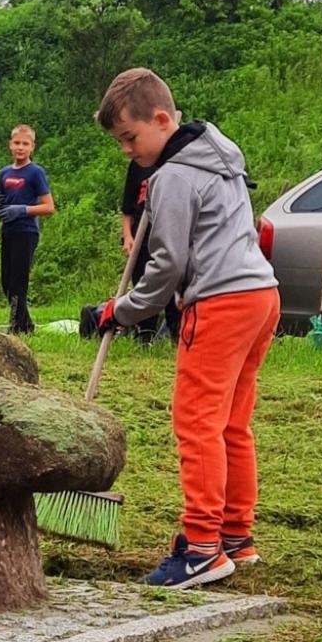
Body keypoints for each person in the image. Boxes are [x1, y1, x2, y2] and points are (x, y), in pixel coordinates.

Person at [93, 68, 279, 589]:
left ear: (161, 119)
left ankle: (201, 548)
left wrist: (122, 310)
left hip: (220, 303)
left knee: (197, 423)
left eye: (130, 137)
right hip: (260, 295)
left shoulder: (174, 176)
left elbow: (167, 265)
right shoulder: (218, 154)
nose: (126, 150)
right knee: (232, 423)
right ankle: (235, 535)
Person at [0, 126, 54, 334]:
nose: (20, 147)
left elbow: (49, 207)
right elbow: (0, 201)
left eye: (25, 144)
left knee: (18, 281)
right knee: (6, 281)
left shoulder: (35, 172)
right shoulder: (4, 173)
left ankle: (16, 327)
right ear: (10, 145)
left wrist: (23, 210)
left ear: (32, 147)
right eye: (17, 143)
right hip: (8, 230)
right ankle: (26, 324)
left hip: (26, 231)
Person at [122, 159, 181, 344]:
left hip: (169, 233)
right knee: (142, 280)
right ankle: (145, 332)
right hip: (141, 235)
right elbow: (127, 206)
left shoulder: (176, 162)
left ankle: (177, 331)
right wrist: (127, 236)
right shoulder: (139, 163)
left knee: (172, 279)